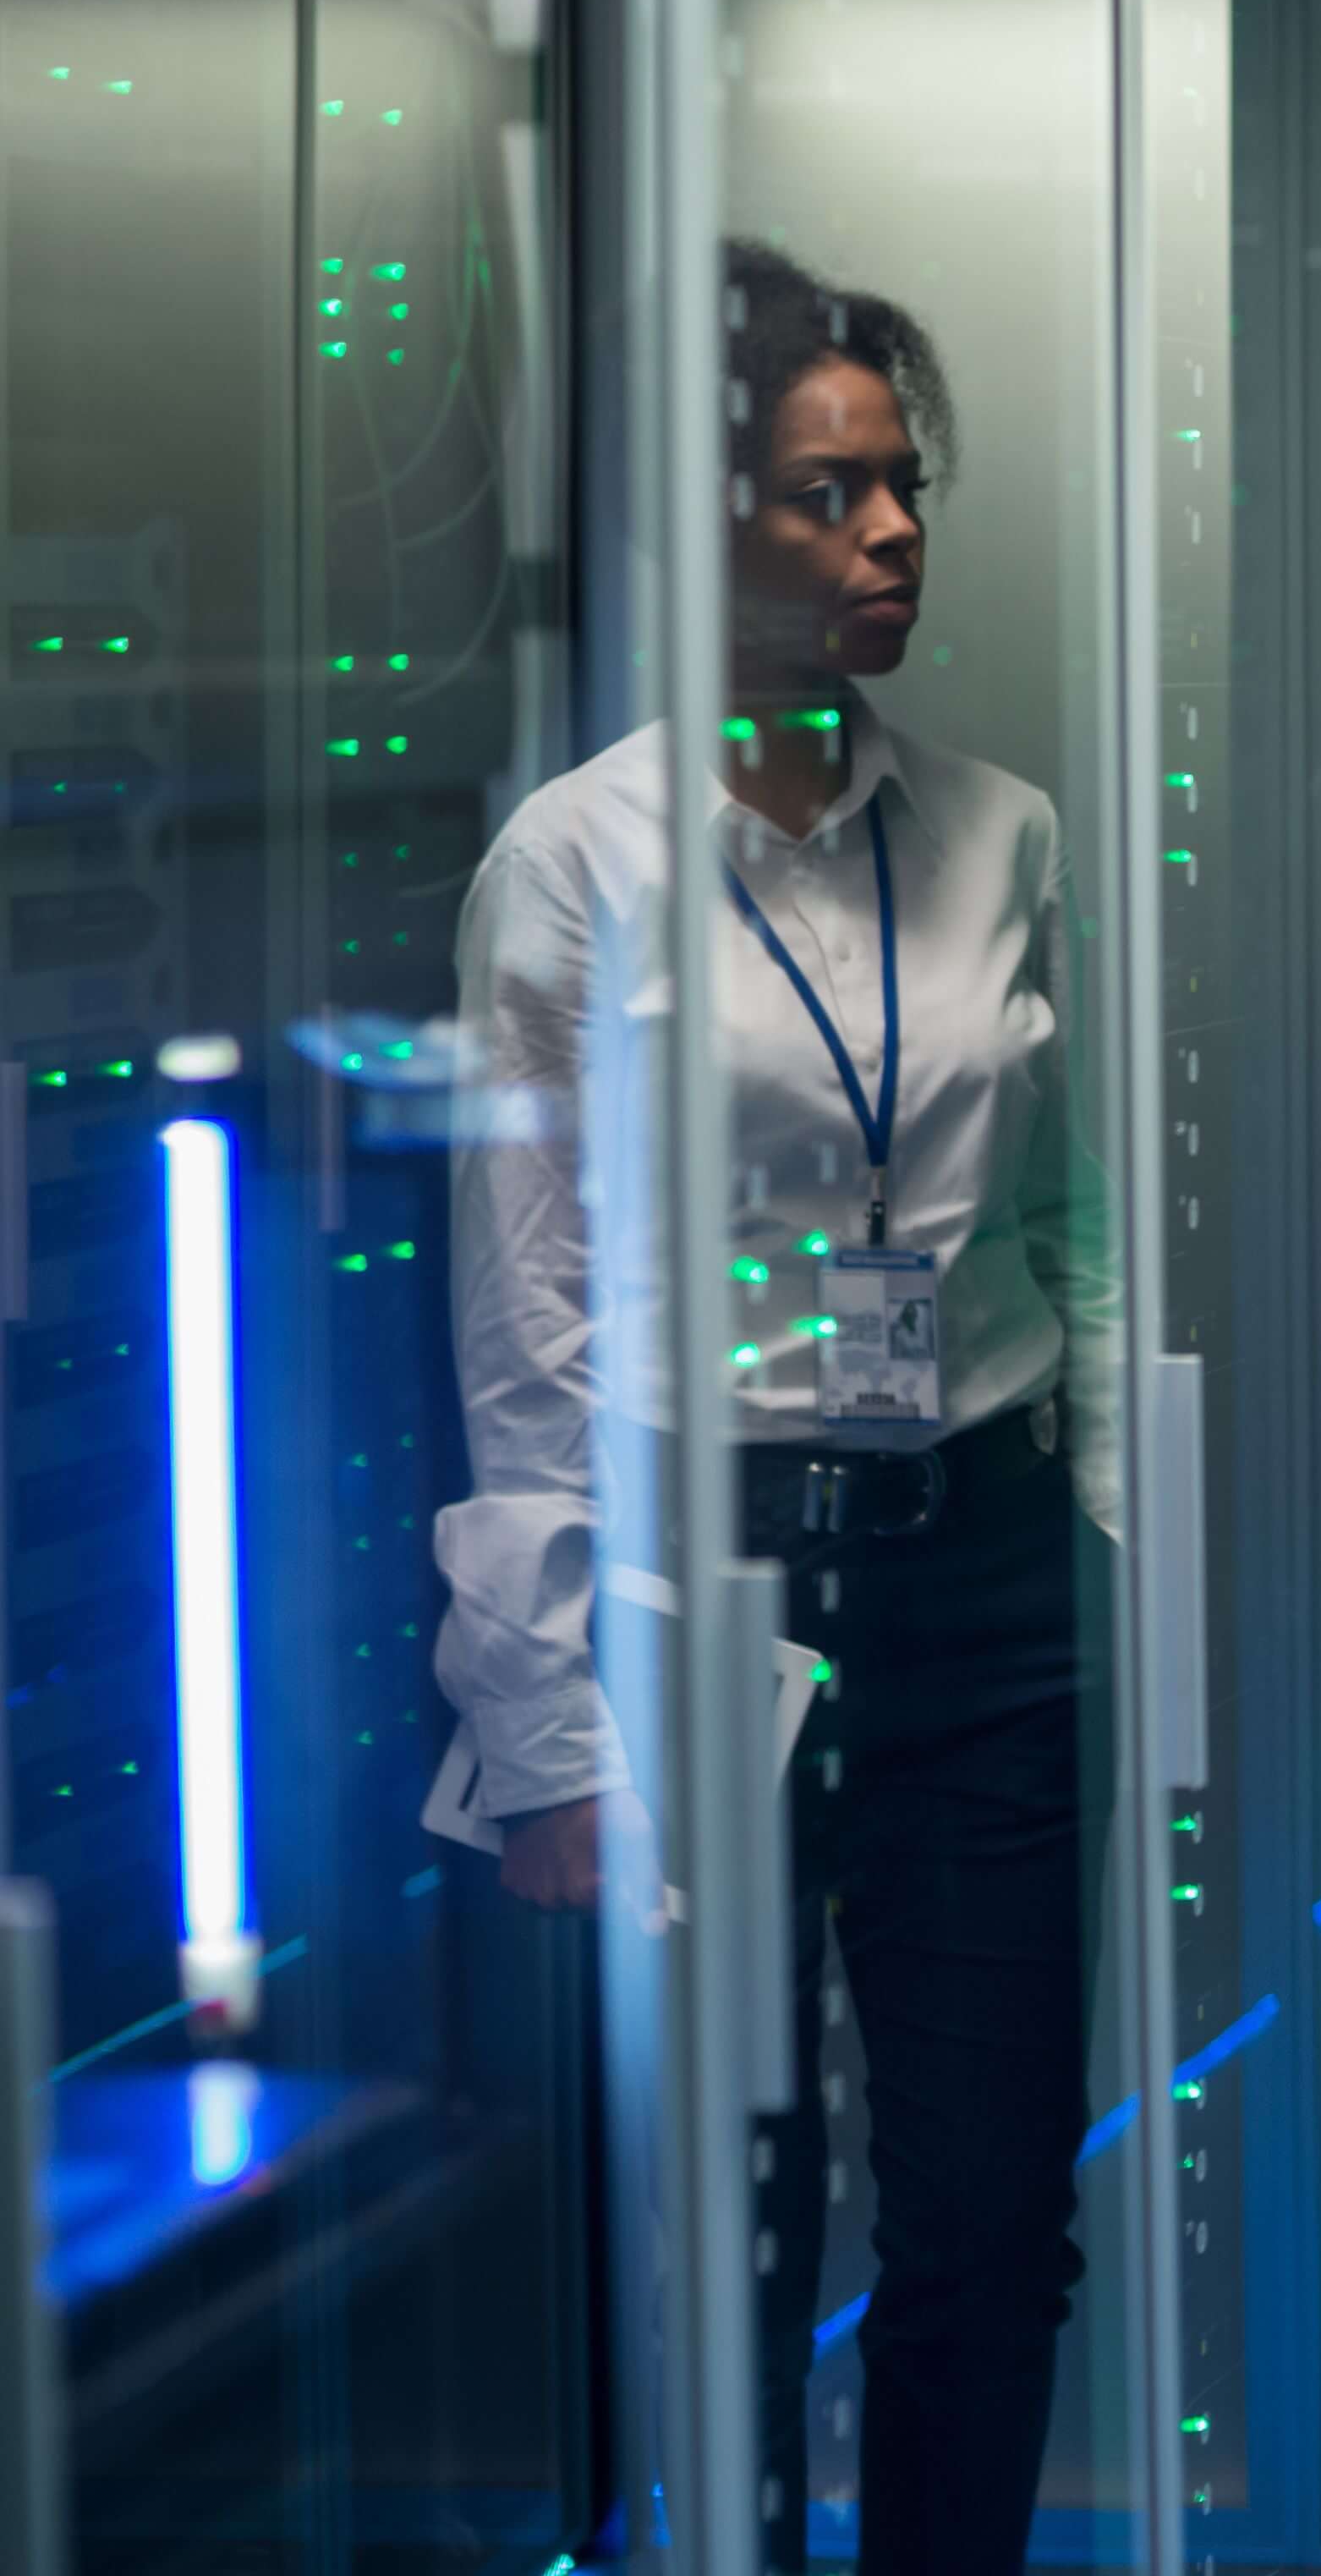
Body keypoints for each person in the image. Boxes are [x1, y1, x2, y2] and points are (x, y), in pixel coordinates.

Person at [432, 241, 1121, 2574]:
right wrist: (544, 1729)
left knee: (993, 2228)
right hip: (709, 1593)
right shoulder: (576, 868)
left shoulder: (1008, 836)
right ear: (705, 534)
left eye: (906, 487)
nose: (897, 535)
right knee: (731, 2231)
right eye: (834, 497)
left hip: (990, 1585)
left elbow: (1077, 1225)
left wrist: (1099, 1496)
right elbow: (524, 1330)